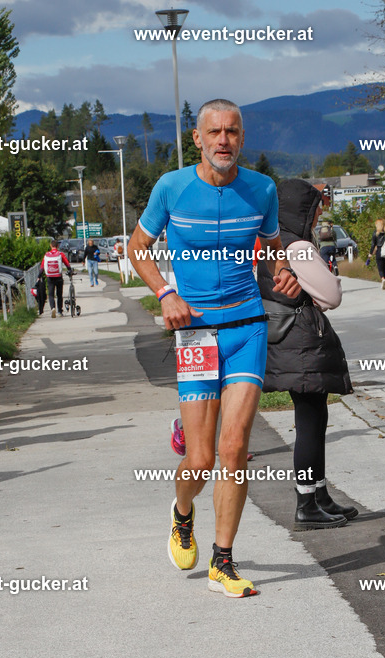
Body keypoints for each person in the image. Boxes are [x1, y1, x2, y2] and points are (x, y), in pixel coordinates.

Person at [127, 98, 301, 597]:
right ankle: (183, 513)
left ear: (242, 137)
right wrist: (166, 293)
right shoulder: (172, 187)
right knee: (201, 459)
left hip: (247, 327)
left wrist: (284, 271)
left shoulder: (262, 189)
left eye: (233, 131)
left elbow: (271, 248)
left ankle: (222, 561)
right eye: (215, 132)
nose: (224, 140)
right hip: (197, 332)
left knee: (234, 448)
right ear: (197, 139)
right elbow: (137, 248)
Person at [259, 178, 357, 528]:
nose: (318, 216)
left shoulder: (270, 243)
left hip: (283, 341)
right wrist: (330, 281)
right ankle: (306, 503)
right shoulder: (298, 247)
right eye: (314, 209)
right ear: (301, 210)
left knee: (313, 419)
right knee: (310, 423)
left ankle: (319, 494)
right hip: (302, 343)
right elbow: (331, 296)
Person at [43, 240, 70, 318]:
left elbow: (42, 266)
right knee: (59, 295)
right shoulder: (60, 254)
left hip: (50, 277)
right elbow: (66, 263)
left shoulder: (47, 255)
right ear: (58, 246)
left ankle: (52, 308)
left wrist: (39, 275)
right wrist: (69, 269)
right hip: (58, 276)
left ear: (51, 246)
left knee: (51, 294)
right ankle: (60, 311)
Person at [365, 218, 385, 289]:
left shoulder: (375, 233)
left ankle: (383, 279)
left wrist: (370, 254)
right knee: (384, 268)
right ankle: (384, 279)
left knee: (380, 268)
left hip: (379, 251)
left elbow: (373, 244)